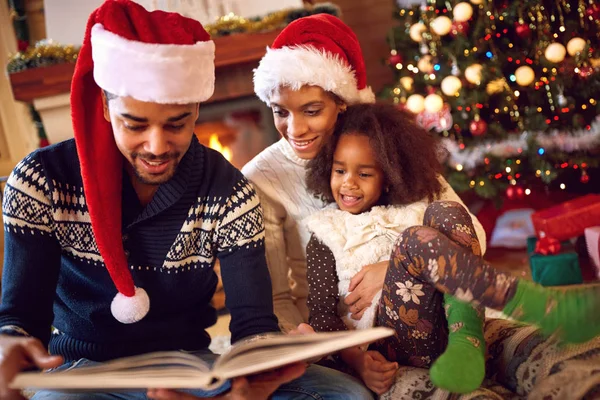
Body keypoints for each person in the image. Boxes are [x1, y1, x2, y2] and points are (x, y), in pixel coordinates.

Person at [0, 1, 373, 400]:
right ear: (107, 108)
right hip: (83, 374)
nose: (156, 146)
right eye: (135, 124)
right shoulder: (40, 180)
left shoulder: (229, 189)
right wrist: (9, 344)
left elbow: (253, 325)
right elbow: (19, 318)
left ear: (196, 109)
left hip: (192, 365)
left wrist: (261, 366)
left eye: (176, 123)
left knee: (345, 396)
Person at [242, 13, 488, 393]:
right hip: (345, 334)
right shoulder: (262, 178)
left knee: (533, 348)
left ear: (341, 102)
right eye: (280, 112)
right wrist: (338, 357)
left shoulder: (384, 147)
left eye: (311, 110)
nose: (295, 130)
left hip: (442, 304)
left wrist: (399, 268)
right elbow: (278, 300)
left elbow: (473, 235)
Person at [303, 103, 600, 395]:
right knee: (413, 239)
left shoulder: (414, 210)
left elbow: (464, 245)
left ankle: (466, 342)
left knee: (447, 211)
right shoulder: (326, 232)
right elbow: (322, 318)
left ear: (388, 176)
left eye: (364, 174)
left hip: (448, 322)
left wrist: (389, 268)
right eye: (339, 170)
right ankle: (531, 301)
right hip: (392, 340)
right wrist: (358, 362)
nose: (348, 183)